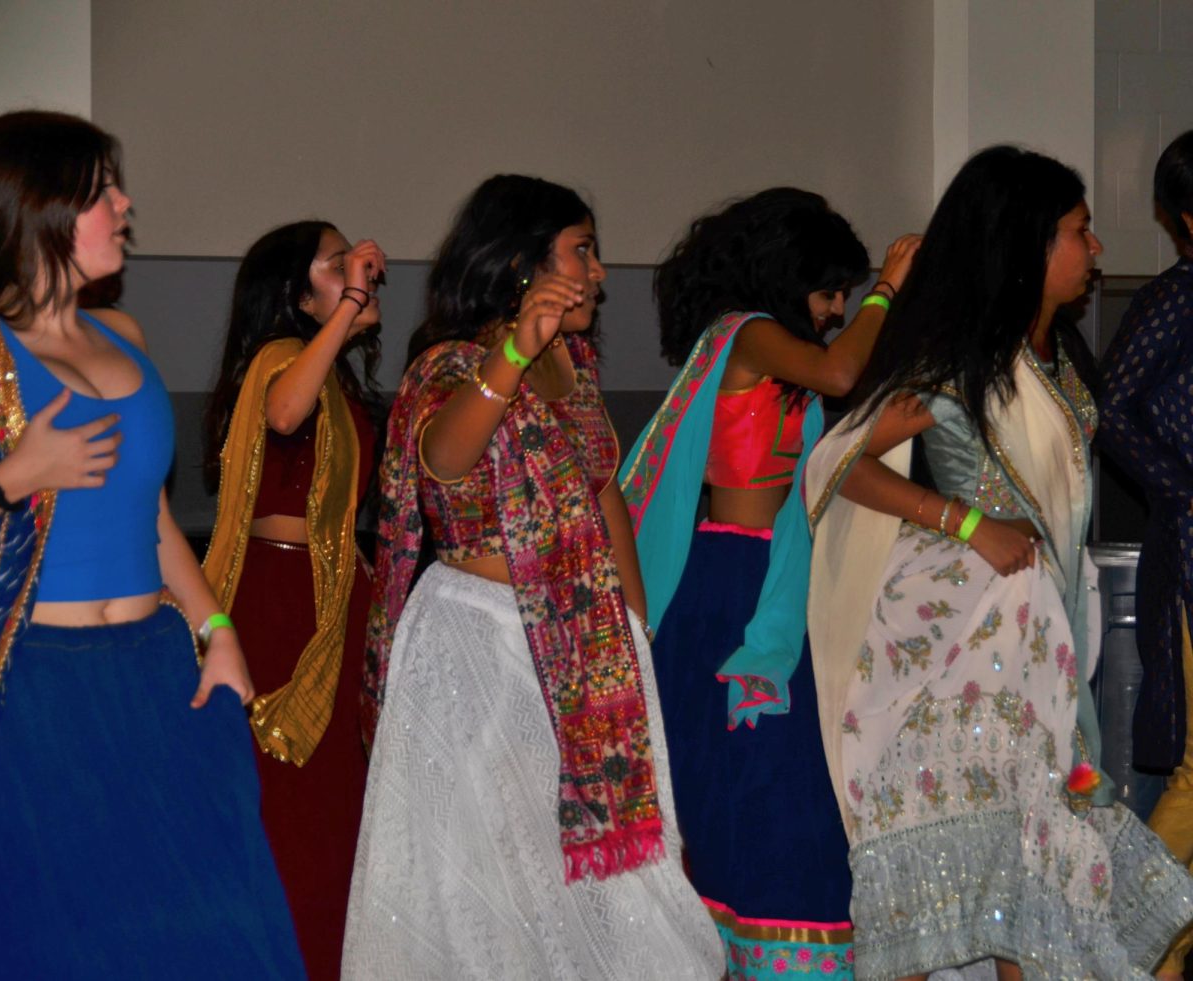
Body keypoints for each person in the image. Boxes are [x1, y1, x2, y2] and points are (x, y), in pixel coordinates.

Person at [804, 144, 1193, 981]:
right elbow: (835, 462)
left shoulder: (1056, 356)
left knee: (1029, 856)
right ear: (1025, 244)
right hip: (951, 648)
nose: (1096, 252)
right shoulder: (949, 362)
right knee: (945, 854)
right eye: (1079, 232)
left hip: (1034, 637)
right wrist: (965, 519)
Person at [345, 174, 723, 980]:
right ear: (522, 265)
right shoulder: (453, 366)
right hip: (478, 646)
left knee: (594, 882)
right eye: (581, 250)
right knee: (489, 873)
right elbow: (445, 462)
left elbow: (602, 491)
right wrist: (513, 353)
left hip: (581, 650)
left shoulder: (576, 370)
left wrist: (634, 628)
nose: (598, 273)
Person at [0, 110, 304, 979]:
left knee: (211, 921)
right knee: (67, 936)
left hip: (157, 675)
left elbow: (155, 516)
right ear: (40, 208)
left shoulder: (122, 336)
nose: (125, 205)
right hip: (36, 691)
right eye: (101, 192)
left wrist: (217, 631)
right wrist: (15, 477)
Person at [620, 187, 919, 979]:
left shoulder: (772, 358)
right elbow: (842, 367)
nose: (832, 310)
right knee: (759, 797)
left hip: (778, 584)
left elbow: (827, 456)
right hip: (728, 590)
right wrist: (887, 287)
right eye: (829, 293)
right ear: (788, 278)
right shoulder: (745, 334)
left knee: (790, 798)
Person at [202, 220, 385, 980]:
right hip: (277, 608)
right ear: (295, 293)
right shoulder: (279, 363)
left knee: (334, 816)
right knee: (289, 815)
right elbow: (284, 415)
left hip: (331, 604)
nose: (357, 275)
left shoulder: (335, 378)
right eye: (336, 265)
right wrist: (348, 309)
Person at [1099, 128, 1193, 981]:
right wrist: (1184, 488)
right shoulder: (1178, 296)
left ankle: (1154, 951)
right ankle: (1132, 944)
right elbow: (1112, 407)